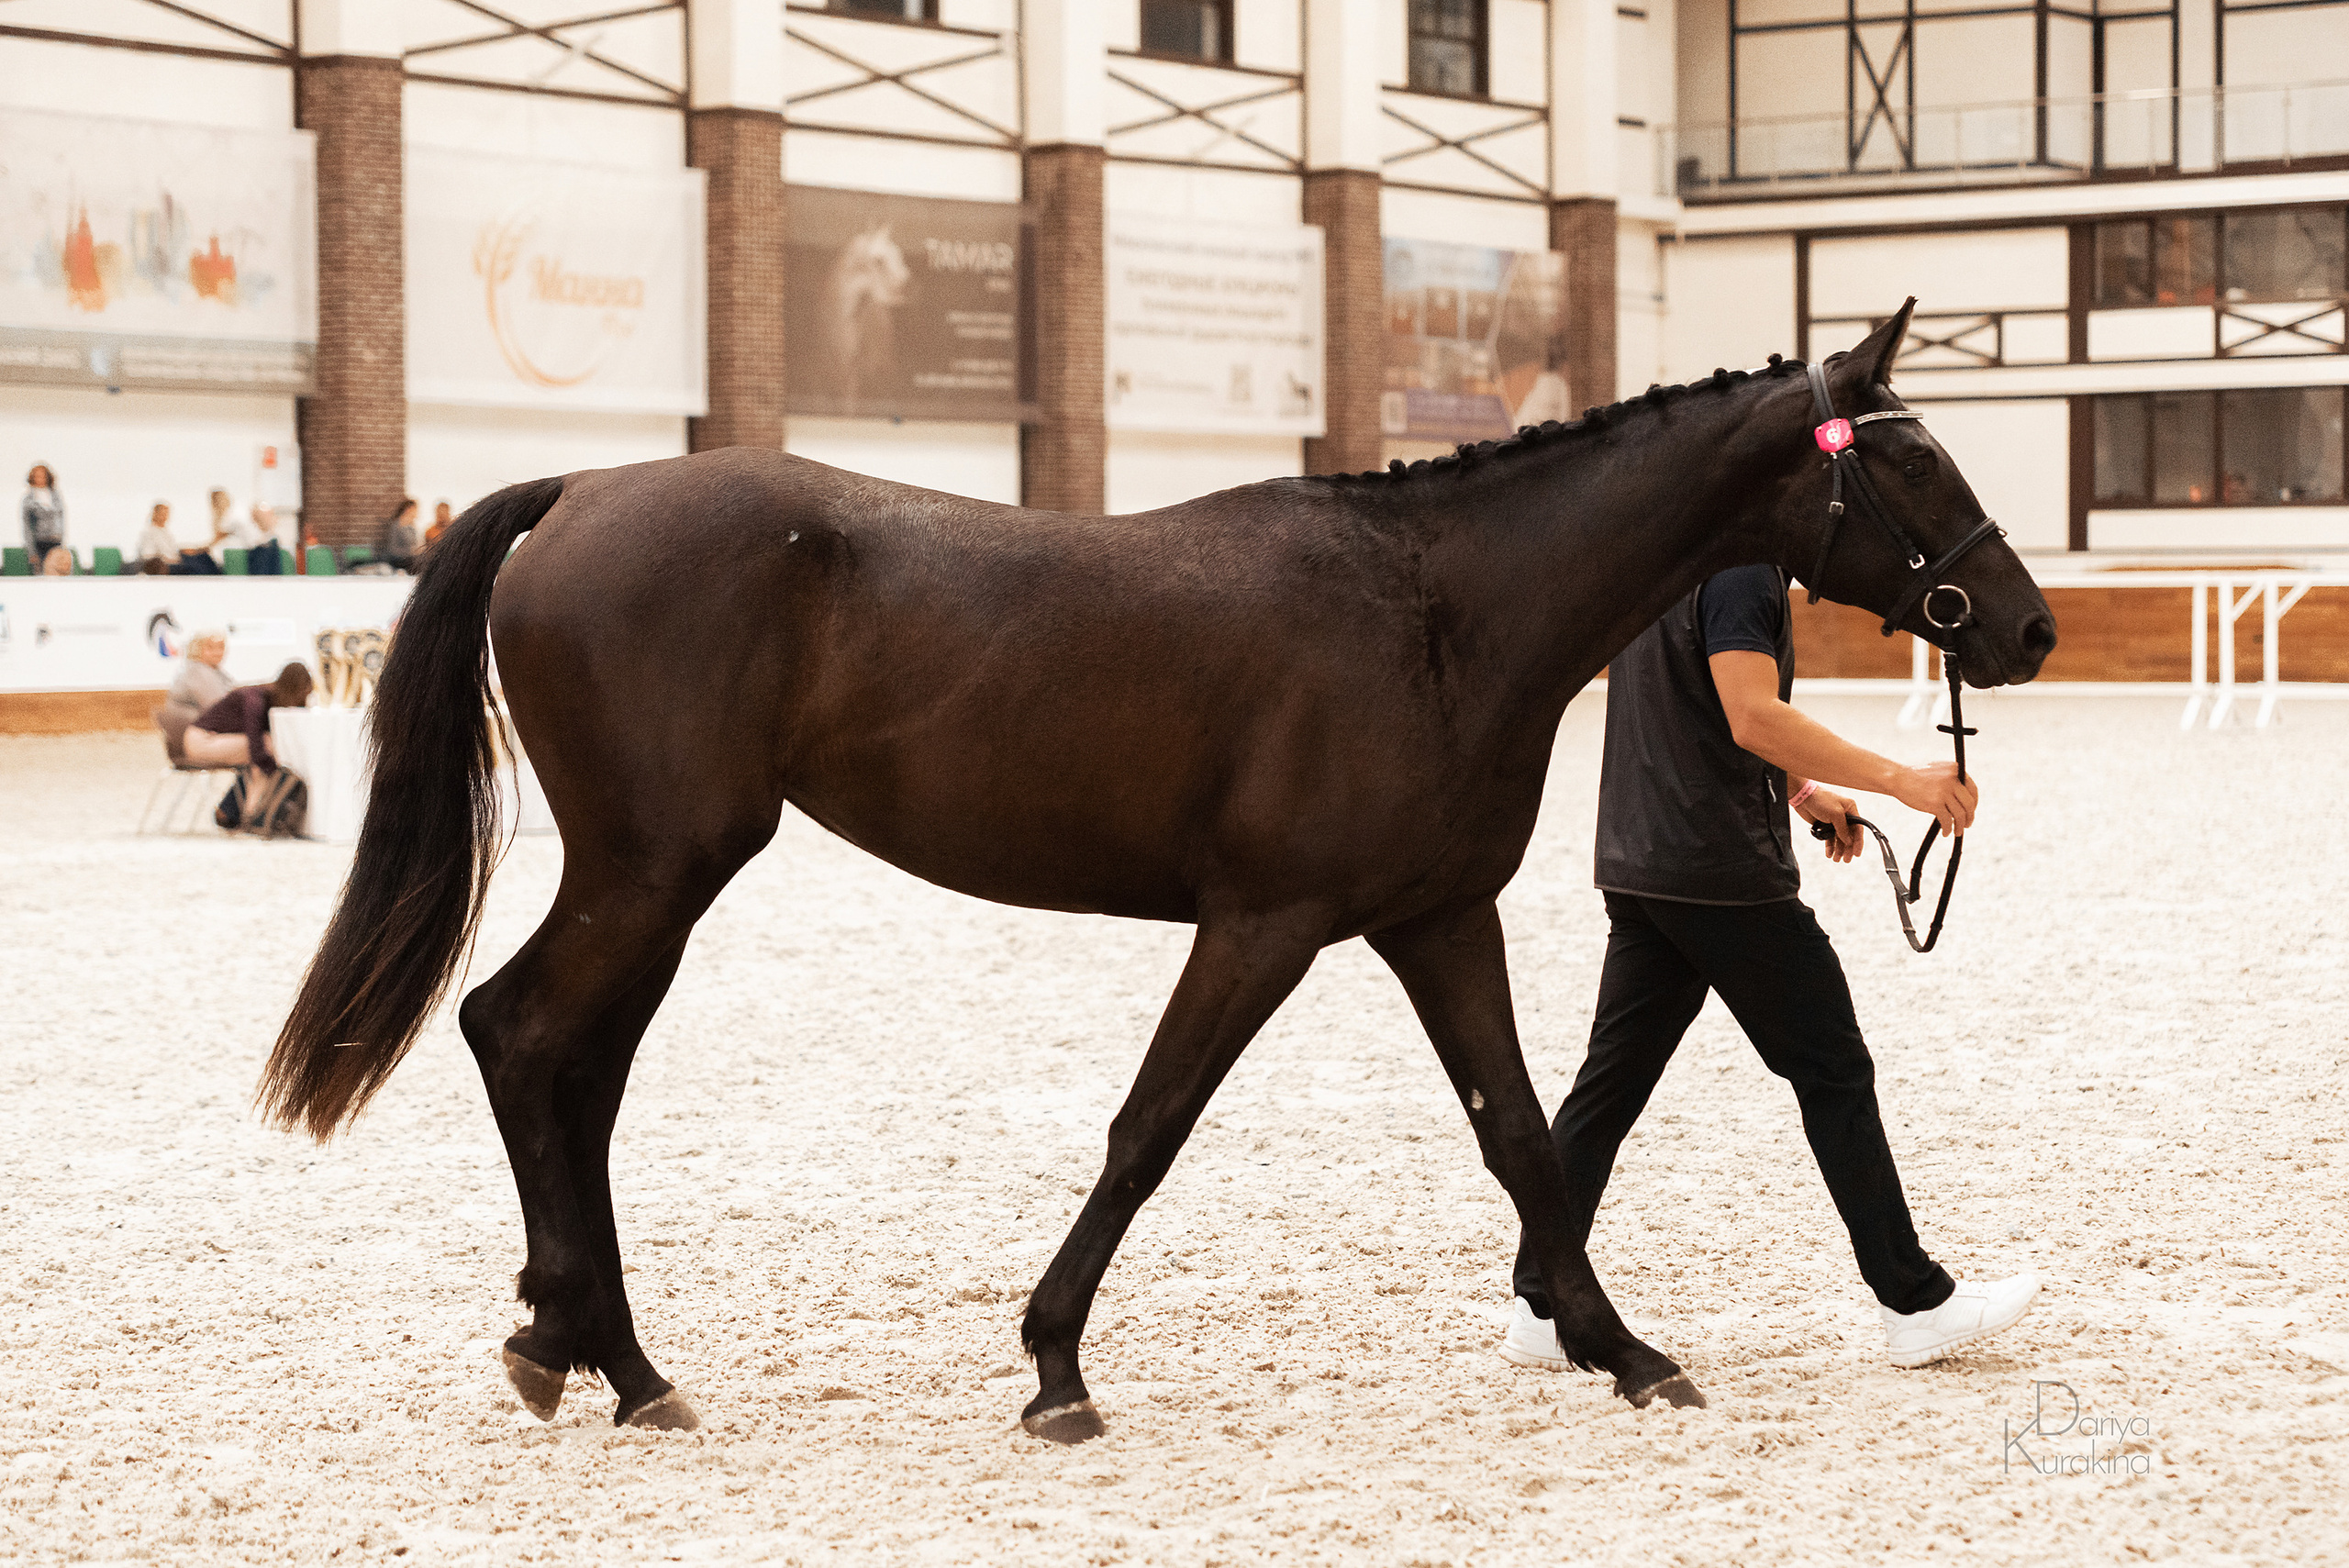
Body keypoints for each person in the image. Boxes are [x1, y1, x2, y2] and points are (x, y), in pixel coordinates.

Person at [1496, 563, 2037, 1375]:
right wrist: (1900, 780)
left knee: (1609, 1085)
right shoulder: (1746, 565)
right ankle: (1914, 1302)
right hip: (1721, 873)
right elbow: (1751, 714)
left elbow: (1703, 701)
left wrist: (1803, 789)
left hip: (1643, 861)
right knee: (1834, 1069)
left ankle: (1542, 1301)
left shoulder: (1675, 543)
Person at [185, 662, 312, 772]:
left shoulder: (269, 699)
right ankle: (265, 797)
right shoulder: (255, 700)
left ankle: (260, 797)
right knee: (268, 745)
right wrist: (273, 770)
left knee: (266, 750)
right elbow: (256, 747)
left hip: (214, 738)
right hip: (203, 740)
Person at [167, 629, 236, 713]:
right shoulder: (197, 672)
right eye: (210, 648)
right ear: (197, 649)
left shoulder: (214, 670)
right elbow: (215, 707)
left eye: (221, 647)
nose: (217, 652)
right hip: (194, 722)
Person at [22, 464, 64, 571]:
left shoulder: (55, 497)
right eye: (37, 476)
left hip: (55, 540)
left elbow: (61, 519)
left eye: (43, 476)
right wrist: (31, 551)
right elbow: (27, 526)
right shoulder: (28, 499)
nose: (40, 479)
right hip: (39, 542)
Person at [134, 502, 180, 573]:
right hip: (159, 566)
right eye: (162, 514)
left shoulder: (167, 533)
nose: (165, 517)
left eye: (166, 514)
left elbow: (174, 553)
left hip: (172, 563)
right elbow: (148, 555)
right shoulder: (148, 532)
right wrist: (165, 558)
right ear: (155, 514)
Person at [378, 498, 421, 573]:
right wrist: (411, 551)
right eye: (415, 509)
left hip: (412, 558)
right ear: (408, 510)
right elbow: (393, 549)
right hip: (400, 560)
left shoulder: (413, 527)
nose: (417, 512)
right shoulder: (397, 526)